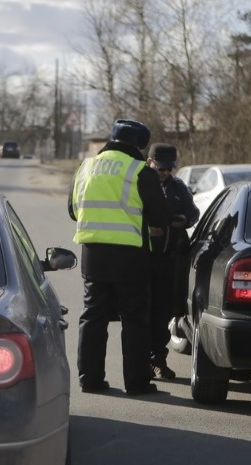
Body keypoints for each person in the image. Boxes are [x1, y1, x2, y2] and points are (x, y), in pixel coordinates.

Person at [68, 119, 171, 396]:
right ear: (139, 146)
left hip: (93, 255)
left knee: (93, 317)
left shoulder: (86, 166)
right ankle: (136, 383)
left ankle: (89, 380)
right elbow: (161, 218)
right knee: (135, 320)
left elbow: (73, 211)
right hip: (130, 257)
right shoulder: (139, 170)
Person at [146, 142, 200, 380]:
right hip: (145, 258)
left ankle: (158, 360)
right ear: (151, 163)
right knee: (142, 313)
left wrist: (184, 220)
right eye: (162, 169)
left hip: (171, 260)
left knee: (163, 313)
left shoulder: (178, 186)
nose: (166, 174)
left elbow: (193, 212)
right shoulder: (140, 184)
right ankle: (142, 361)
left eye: (169, 169)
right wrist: (147, 228)